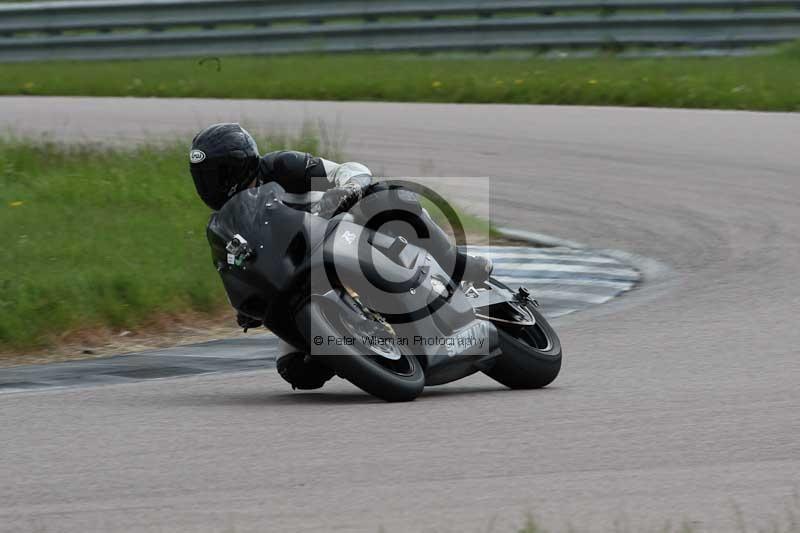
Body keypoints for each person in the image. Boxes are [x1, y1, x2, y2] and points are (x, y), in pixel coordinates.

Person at [189, 122, 493, 390]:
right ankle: (369, 351)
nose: (210, 185)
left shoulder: (282, 167)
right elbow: (237, 269)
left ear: (242, 164)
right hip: (302, 277)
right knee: (298, 371)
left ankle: (456, 263)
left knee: (388, 197)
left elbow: (347, 170)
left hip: (343, 229)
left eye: (218, 174)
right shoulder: (226, 223)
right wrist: (251, 303)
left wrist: (350, 188)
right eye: (203, 178)